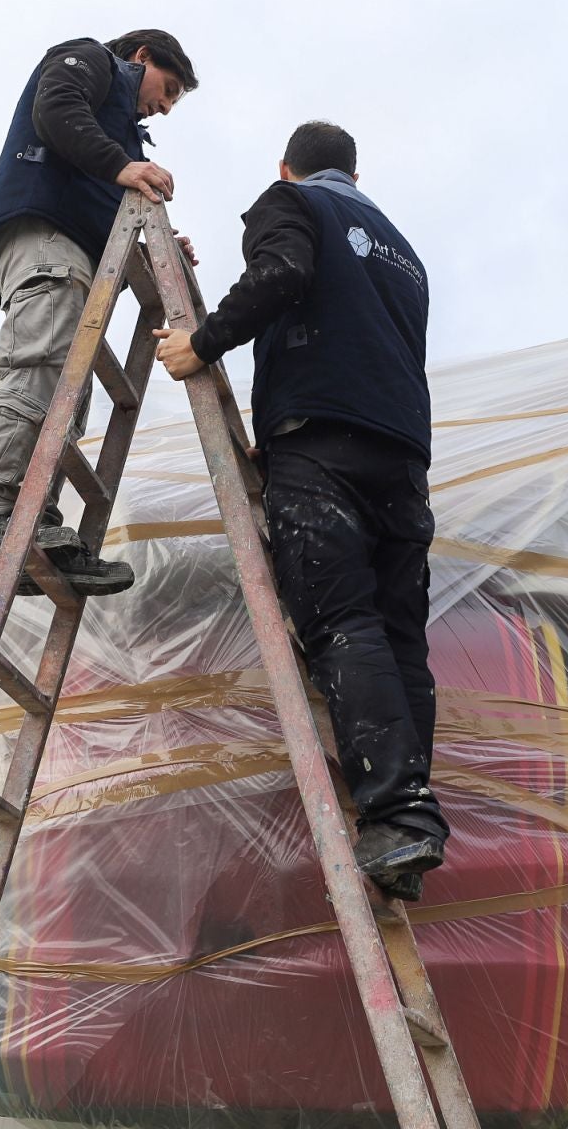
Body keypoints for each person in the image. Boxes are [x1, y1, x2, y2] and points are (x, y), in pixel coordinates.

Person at [152, 121, 445, 900]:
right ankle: (412, 824)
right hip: (401, 453)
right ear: (355, 170)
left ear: (290, 167)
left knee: (339, 621)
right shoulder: (404, 251)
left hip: (323, 440)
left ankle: (395, 812)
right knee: (400, 635)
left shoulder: (291, 202)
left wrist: (201, 343)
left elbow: (281, 275)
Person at [0, 30, 200, 596]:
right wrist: (125, 167)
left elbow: (112, 193)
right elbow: (57, 110)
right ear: (141, 58)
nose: (163, 106)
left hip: (73, 249)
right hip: (43, 235)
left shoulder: (117, 133)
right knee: (41, 366)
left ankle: (34, 521)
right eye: (167, 89)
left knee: (67, 385)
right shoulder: (93, 62)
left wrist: (158, 241)